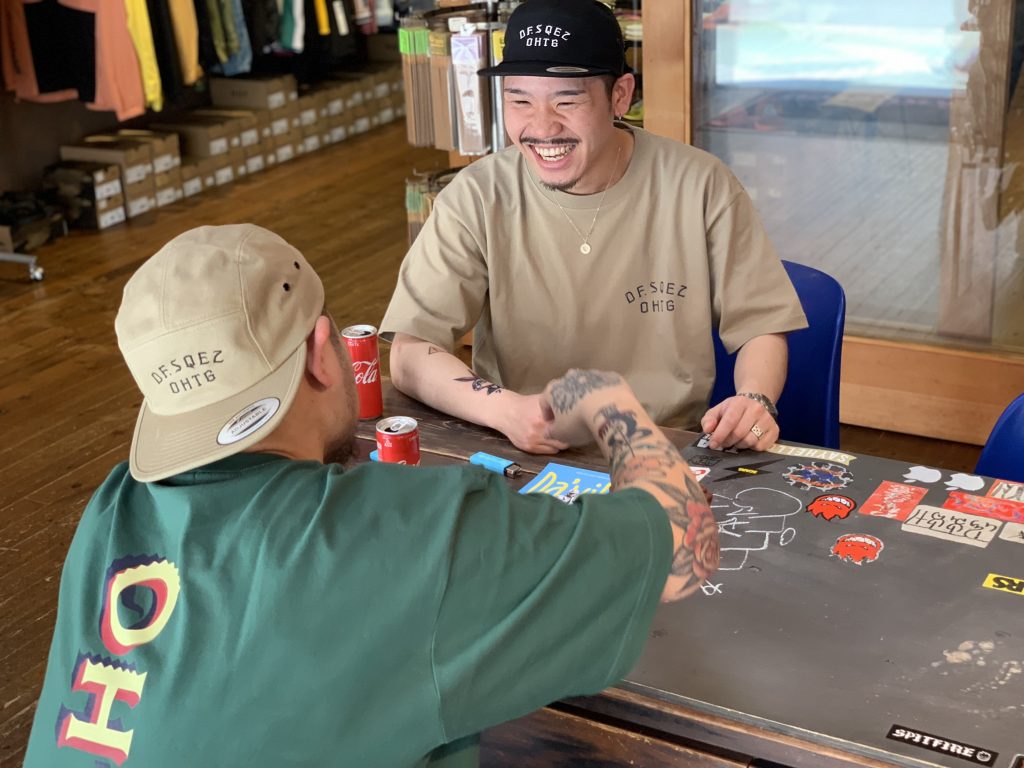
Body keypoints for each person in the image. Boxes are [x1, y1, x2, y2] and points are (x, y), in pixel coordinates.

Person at [24, 224, 718, 768]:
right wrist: (606, 402)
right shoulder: (412, 538)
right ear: (323, 351)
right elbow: (683, 544)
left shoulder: (111, 511)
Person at [382, 0, 808, 457]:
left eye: (566, 101)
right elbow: (410, 352)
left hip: (668, 445)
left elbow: (760, 324)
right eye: (519, 100)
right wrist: (506, 411)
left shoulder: (701, 184)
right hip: (524, 447)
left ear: (620, 96)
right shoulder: (476, 196)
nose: (542, 127)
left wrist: (755, 398)